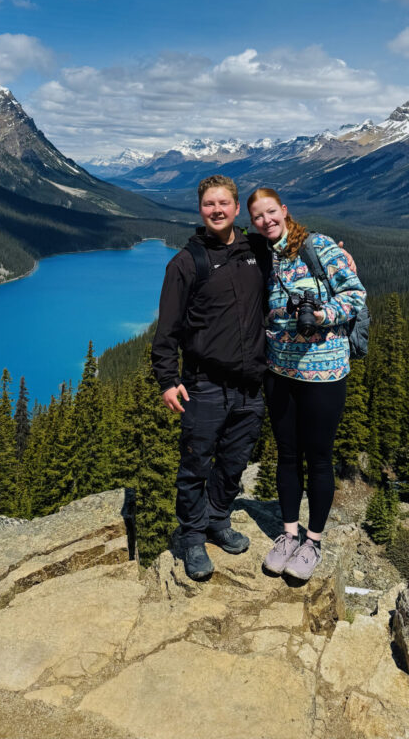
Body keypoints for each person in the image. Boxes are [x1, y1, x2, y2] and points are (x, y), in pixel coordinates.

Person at [151, 175, 268, 581]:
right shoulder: (186, 263)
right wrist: (167, 380)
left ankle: (218, 520)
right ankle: (193, 536)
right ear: (200, 210)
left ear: (238, 210)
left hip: (251, 386)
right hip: (203, 386)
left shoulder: (256, 250)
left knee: (234, 463)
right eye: (208, 204)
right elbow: (166, 330)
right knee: (195, 464)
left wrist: (336, 258)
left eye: (224, 203)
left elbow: (294, 254)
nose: (216, 210)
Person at [247, 187, 367, 580]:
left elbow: (355, 294)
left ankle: (312, 542)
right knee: (285, 454)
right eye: (258, 217)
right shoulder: (266, 254)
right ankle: (287, 535)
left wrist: (321, 313)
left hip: (324, 373)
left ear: (284, 210)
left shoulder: (319, 247)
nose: (266, 221)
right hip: (279, 372)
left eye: (271, 212)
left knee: (318, 458)